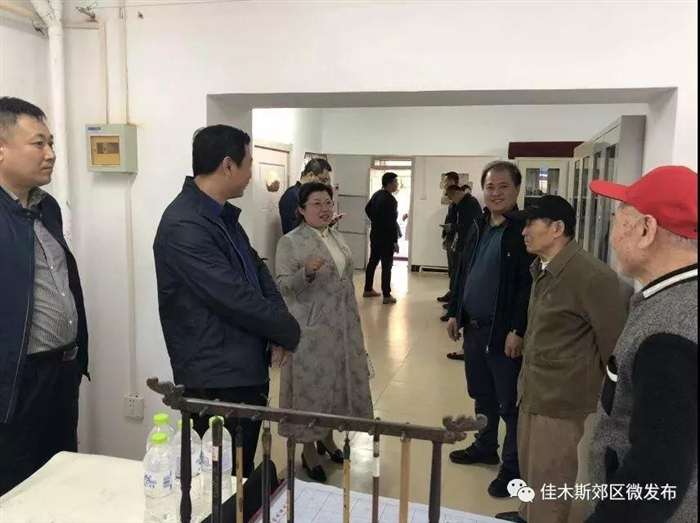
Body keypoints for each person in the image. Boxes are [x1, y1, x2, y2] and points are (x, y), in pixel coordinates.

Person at [153, 124, 300, 477]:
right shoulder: (184, 225)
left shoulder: (221, 216)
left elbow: (257, 270)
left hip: (241, 367)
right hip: (216, 377)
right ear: (228, 165)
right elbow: (233, 296)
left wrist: (278, 326)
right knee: (219, 479)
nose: (250, 174)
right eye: (249, 164)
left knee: (239, 470)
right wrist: (288, 330)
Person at [493, 196, 627, 523]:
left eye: (531, 224)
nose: (524, 232)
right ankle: (529, 514)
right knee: (531, 465)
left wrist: (612, 404)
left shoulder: (592, 277)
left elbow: (615, 347)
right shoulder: (543, 268)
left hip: (561, 396)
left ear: (557, 228)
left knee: (551, 473)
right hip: (534, 388)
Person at [584, 166, 697, 523]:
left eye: (618, 219)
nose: (612, 233)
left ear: (646, 230)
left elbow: (657, 472)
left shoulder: (669, 332)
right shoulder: (677, 298)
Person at [0, 97, 89, 495]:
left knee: (61, 477)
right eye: (39, 143)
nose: (51, 154)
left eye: (51, 143)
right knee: (18, 489)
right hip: (16, 382)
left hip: (60, 373)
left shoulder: (45, 206)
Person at [445, 160, 534, 497]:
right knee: (482, 393)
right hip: (474, 328)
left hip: (503, 332)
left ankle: (512, 469)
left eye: (503, 187)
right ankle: (485, 446)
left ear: (517, 190)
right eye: (490, 187)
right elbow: (464, 272)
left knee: (509, 402)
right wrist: (455, 312)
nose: (496, 193)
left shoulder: (523, 230)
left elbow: (528, 286)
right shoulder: (479, 224)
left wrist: (518, 329)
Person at [275, 182, 373, 483]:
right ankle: (308, 449)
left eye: (328, 202)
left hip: (343, 328)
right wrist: (305, 272)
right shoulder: (290, 242)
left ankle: (327, 438)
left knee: (335, 384)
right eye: (316, 203)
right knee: (311, 390)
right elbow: (282, 286)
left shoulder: (336, 236)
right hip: (311, 331)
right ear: (301, 210)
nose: (324, 209)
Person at [441, 184, 482, 326]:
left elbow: (468, 226)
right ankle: (453, 309)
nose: (452, 201)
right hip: (461, 244)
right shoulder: (463, 204)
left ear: (456, 193)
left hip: (467, 245)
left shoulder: (469, 204)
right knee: (456, 277)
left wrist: (453, 227)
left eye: (451, 197)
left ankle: (456, 312)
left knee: (460, 279)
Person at [364, 171, 400, 304]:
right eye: (395, 182)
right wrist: (395, 241)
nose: (397, 184)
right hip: (386, 238)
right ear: (389, 183)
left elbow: (367, 208)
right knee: (386, 266)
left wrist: (375, 221)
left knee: (372, 262)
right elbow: (391, 223)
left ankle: (368, 289)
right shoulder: (391, 200)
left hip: (375, 235)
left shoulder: (377, 194)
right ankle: (386, 295)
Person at [279, 158, 327, 235]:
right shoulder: (291, 195)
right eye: (320, 179)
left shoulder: (306, 195)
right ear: (311, 175)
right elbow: (292, 229)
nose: (321, 183)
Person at [438, 171, 460, 303]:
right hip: (450, 237)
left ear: (452, 181)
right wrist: (445, 236)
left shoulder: (460, 199)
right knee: (452, 268)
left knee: (455, 268)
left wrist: (451, 230)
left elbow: (460, 222)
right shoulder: (452, 200)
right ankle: (452, 292)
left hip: (456, 239)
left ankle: (455, 296)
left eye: (446, 181)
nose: (445, 184)